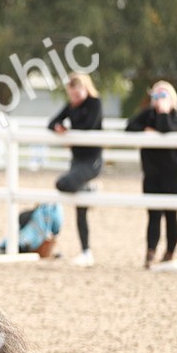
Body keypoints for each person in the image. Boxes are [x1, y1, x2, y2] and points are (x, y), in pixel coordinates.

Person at [48, 73, 104, 267]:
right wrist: (59, 127)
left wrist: (66, 129)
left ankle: (90, 189)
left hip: (92, 162)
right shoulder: (72, 106)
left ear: (85, 88)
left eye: (77, 93)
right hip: (77, 161)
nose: (75, 98)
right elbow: (51, 123)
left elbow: (88, 126)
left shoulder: (95, 103)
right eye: (72, 94)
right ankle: (86, 251)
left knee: (62, 183)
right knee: (80, 208)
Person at [127, 81, 177, 268]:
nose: (158, 100)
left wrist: (164, 113)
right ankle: (150, 252)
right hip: (152, 173)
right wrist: (145, 130)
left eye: (162, 96)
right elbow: (129, 127)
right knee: (153, 215)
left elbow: (167, 129)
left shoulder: (176, 117)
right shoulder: (146, 115)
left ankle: (169, 253)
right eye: (155, 96)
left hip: (172, 174)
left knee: (171, 215)